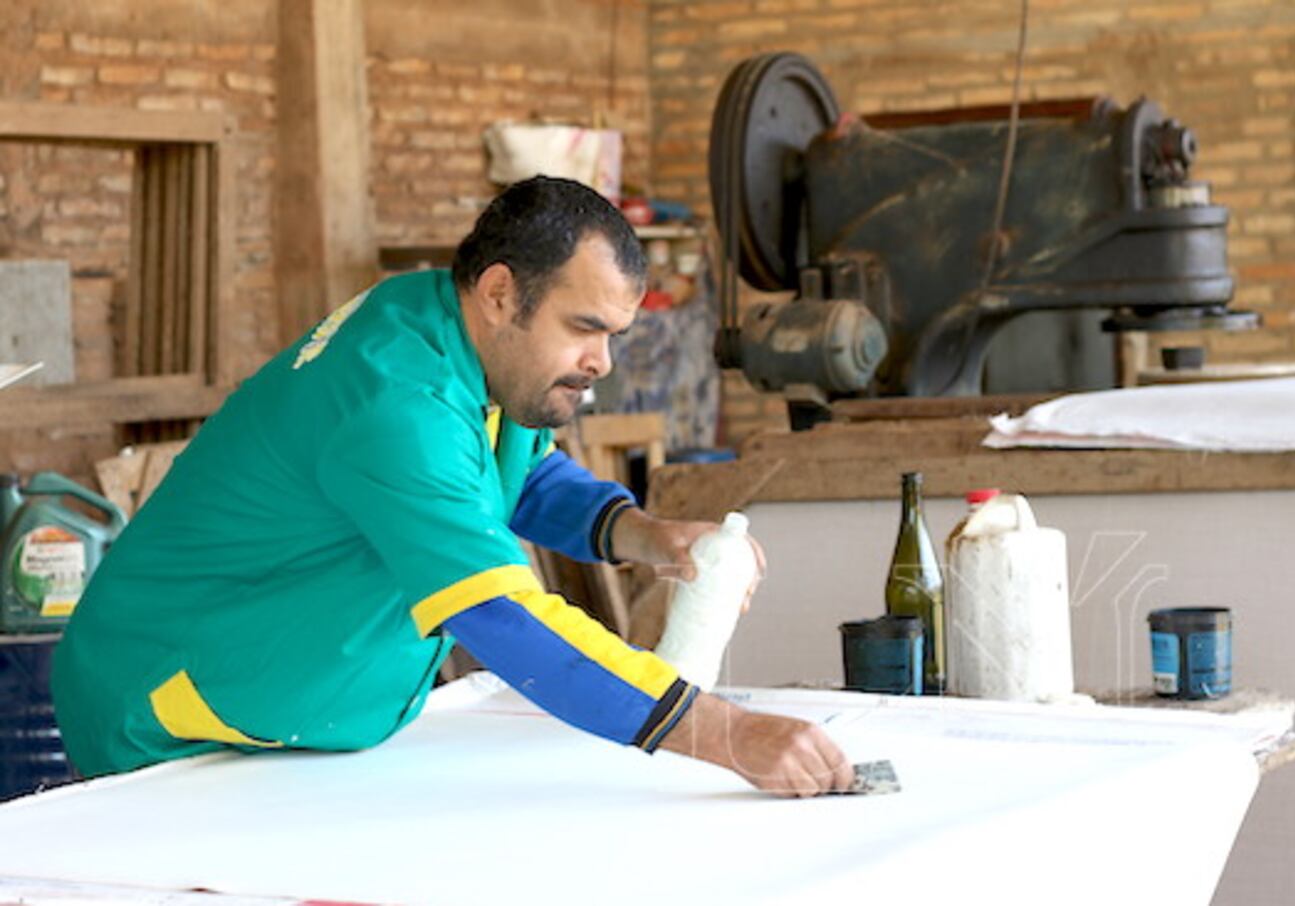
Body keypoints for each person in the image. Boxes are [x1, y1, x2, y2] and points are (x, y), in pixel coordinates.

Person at [52, 176, 852, 797]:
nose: (602, 363)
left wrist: (635, 533)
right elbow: (500, 618)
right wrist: (726, 735)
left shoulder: (450, 326)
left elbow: (512, 469)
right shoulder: (395, 401)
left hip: (275, 737)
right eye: (585, 330)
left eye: (614, 336)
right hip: (171, 723)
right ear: (502, 293)